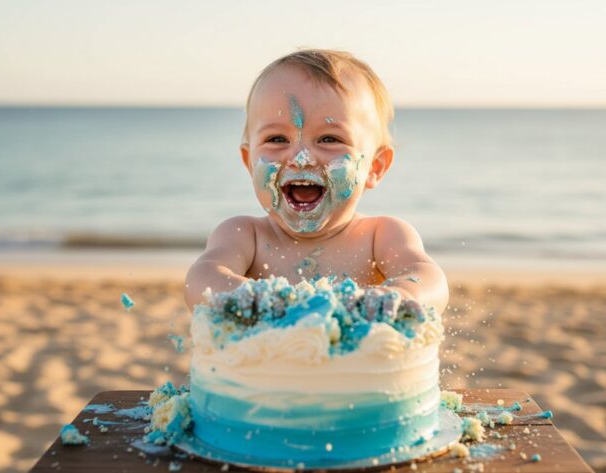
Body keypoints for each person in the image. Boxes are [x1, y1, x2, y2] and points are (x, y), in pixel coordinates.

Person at [185, 49, 448, 316]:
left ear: (374, 167)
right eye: (277, 139)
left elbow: (428, 278)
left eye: (329, 139)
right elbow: (202, 278)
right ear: (250, 162)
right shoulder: (244, 236)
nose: (301, 159)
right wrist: (242, 295)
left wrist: (402, 294)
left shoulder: (381, 236)